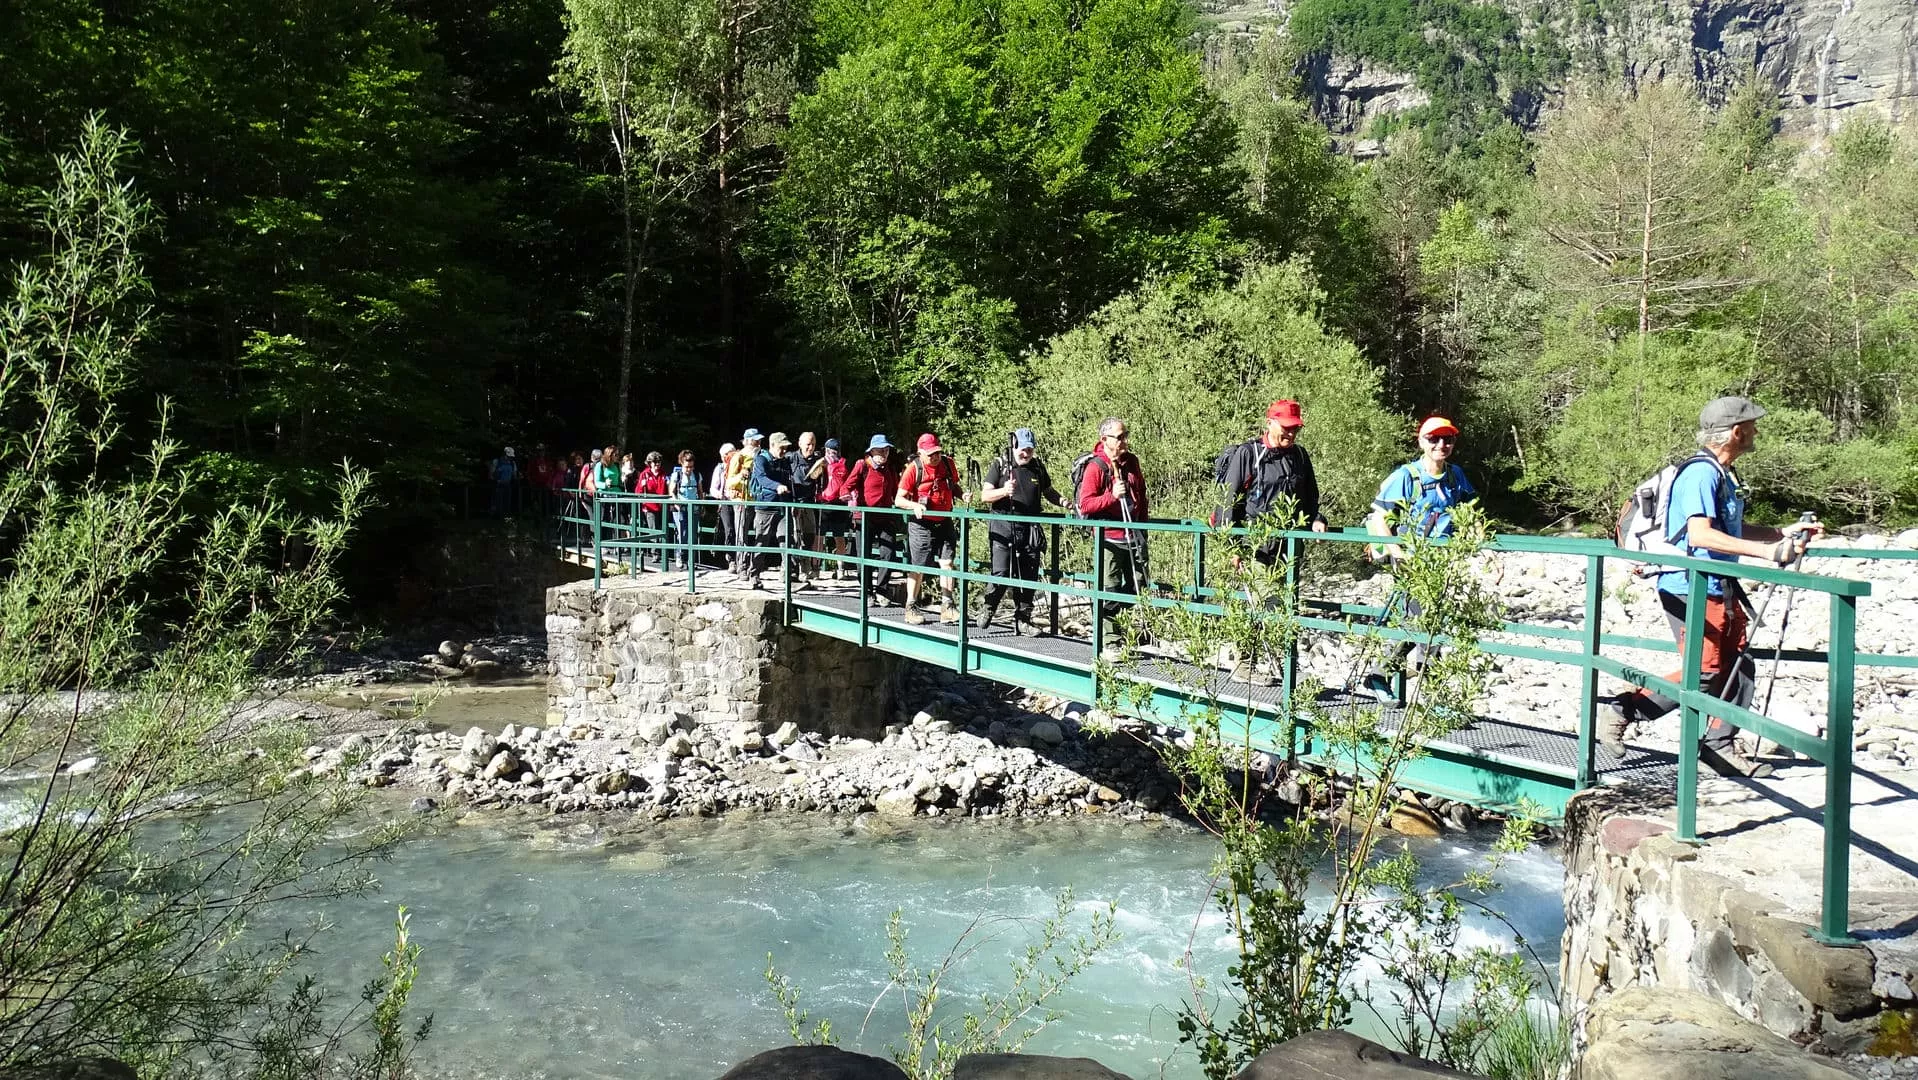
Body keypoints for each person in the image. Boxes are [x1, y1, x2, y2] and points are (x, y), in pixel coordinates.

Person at [1603, 397, 1823, 778]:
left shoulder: (1723, 473)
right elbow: (1699, 533)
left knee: (1739, 667)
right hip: (1689, 585)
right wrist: (1768, 552)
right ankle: (1625, 709)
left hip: (1717, 585)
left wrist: (1779, 533)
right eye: (1752, 425)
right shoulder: (1701, 475)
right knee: (1703, 672)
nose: (1756, 431)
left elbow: (1727, 530)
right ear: (1736, 431)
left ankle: (1719, 746)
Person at [1360, 416, 1476, 701]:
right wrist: (1398, 555)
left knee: (1433, 622)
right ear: (1421, 441)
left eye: (1447, 439)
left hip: (1440, 562)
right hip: (1410, 561)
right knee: (1422, 623)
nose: (1441, 445)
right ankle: (1384, 676)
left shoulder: (1455, 475)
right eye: (1434, 439)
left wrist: (1479, 546)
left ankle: (1419, 688)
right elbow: (1380, 517)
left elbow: (1469, 514)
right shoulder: (1406, 476)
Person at [1075, 417, 1148, 660]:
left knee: (1141, 583)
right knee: (1110, 588)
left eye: (1125, 435)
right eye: (1119, 436)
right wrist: (1112, 496)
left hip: (1133, 534)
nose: (1124, 440)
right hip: (1109, 537)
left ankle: (1113, 623)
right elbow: (1085, 504)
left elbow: (1142, 495)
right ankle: (1111, 641)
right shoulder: (1096, 467)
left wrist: (1144, 528)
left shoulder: (1131, 462)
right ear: (1104, 440)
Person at [1219, 400, 1328, 561]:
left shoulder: (1300, 456)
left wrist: (1317, 519)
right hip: (1256, 548)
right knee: (1264, 587)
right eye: (1286, 428)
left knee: (1290, 588)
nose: (1292, 434)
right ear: (1269, 423)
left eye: (1295, 428)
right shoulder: (1249, 454)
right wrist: (1230, 549)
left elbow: (1310, 498)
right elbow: (1228, 501)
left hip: (1290, 551)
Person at [979, 428, 1063, 635]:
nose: (1026, 454)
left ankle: (1023, 620)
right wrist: (1003, 491)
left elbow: (1048, 491)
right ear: (1015, 446)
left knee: (1029, 575)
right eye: (1023, 449)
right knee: (1001, 573)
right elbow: (985, 495)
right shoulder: (1001, 464)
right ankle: (988, 607)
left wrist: (1063, 501)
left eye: (1030, 450)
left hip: (1030, 528)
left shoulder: (1037, 467)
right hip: (1002, 526)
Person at [895, 433, 969, 625]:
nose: (935, 457)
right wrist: (915, 506)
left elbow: (953, 486)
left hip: (944, 520)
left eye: (937, 452)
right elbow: (899, 499)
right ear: (920, 453)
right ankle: (911, 606)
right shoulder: (913, 469)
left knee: (947, 563)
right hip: (921, 523)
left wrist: (962, 495)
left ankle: (948, 606)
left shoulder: (947, 464)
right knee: (918, 566)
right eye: (930, 454)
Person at [843, 435, 903, 605]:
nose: (884, 453)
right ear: (871, 451)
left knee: (888, 553)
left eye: (887, 450)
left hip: (885, 517)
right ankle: (866, 591)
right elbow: (847, 485)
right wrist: (846, 495)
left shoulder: (889, 469)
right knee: (864, 555)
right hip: (865, 517)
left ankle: (882, 591)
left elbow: (897, 492)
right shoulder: (862, 465)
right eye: (880, 450)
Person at [747, 432, 797, 590]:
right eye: (781, 448)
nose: (784, 451)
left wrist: (793, 503)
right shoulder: (761, 459)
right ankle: (754, 575)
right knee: (762, 542)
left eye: (785, 448)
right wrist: (777, 486)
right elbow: (761, 478)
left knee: (787, 541)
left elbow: (791, 482)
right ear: (773, 445)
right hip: (765, 507)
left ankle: (787, 574)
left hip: (783, 507)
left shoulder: (784, 462)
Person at [788, 432, 826, 578]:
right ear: (800, 443)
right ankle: (792, 570)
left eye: (813, 444)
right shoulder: (791, 458)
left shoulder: (817, 460)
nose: (810, 447)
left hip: (809, 502)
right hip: (794, 502)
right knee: (794, 537)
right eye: (808, 444)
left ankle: (806, 566)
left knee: (809, 535)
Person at [725, 430, 761, 574]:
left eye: (758, 440)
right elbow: (729, 482)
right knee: (741, 534)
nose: (757, 443)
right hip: (742, 500)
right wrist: (741, 475)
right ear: (746, 441)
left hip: (756, 500)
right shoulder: (738, 457)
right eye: (754, 440)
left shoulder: (760, 456)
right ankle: (742, 565)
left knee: (759, 534)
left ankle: (755, 565)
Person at [817, 438, 853, 580]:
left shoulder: (823, 462)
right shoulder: (844, 463)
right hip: (841, 503)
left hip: (825, 502)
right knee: (839, 537)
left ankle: (816, 568)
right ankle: (840, 569)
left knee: (820, 537)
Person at [668, 449, 701, 571]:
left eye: (691, 467)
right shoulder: (676, 475)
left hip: (694, 507)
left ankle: (690, 560)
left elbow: (700, 491)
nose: (689, 469)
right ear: (682, 463)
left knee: (692, 533)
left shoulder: (696, 475)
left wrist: (701, 505)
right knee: (682, 533)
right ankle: (680, 556)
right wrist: (677, 504)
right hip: (679, 508)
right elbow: (671, 491)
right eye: (687, 467)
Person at [635, 451, 669, 561]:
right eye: (654, 462)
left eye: (658, 462)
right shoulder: (644, 474)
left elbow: (667, 489)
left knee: (663, 528)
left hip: (662, 505)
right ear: (650, 463)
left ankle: (664, 552)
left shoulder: (663, 474)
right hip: (649, 506)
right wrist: (642, 485)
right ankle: (655, 553)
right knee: (653, 529)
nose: (657, 464)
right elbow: (638, 492)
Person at [710, 442, 736, 565]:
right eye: (724, 455)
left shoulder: (740, 466)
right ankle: (731, 558)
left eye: (728, 454)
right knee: (729, 529)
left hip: (739, 500)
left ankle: (742, 557)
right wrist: (721, 496)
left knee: (740, 529)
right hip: (725, 501)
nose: (726, 457)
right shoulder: (719, 468)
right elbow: (713, 489)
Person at [489, 447, 518, 516]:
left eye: (511, 457)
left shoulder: (512, 463)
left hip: (508, 484)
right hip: (497, 484)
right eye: (508, 456)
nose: (510, 458)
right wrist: (496, 480)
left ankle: (506, 516)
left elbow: (514, 475)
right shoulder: (496, 461)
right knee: (496, 501)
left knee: (507, 502)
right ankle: (496, 516)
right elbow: (491, 475)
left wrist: (517, 477)